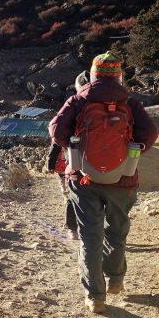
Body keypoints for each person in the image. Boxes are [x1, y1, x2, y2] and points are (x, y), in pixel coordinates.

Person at [49, 52, 158, 313]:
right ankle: (116, 280)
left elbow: (56, 130)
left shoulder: (79, 99)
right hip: (124, 178)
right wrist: (129, 153)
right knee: (117, 230)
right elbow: (150, 133)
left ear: (93, 74)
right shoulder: (130, 103)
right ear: (119, 75)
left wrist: (76, 150)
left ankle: (95, 297)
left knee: (90, 236)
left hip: (84, 178)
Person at [45, 71, 89, 240]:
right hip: (104, 163)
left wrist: (50, 163)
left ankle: (73, 229)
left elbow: (56, 139)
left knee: (71, 195)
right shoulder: (113, 103)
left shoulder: (74, 106)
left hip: (73, 161)